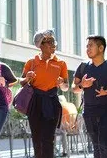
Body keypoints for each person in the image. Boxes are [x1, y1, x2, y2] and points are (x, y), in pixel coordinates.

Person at [71, 35, 107, 158]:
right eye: (87, 46)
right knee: (96, 145)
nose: (87, 49)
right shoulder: (83, 67)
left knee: (104, 143)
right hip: (89, 111)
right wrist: (82, 84)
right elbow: (74, 89)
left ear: (101, 48)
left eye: (91, 45)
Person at [19, 29, 68, 158]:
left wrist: (61, 82)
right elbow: (22, 82)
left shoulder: (61, 63)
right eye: (50, 42)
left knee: (48, 138)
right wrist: (27, 78)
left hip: (52, 102)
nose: (54, 45)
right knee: (37, 138)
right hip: (35, 102)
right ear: (41, 44)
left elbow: (66, 87)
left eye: (54, 41)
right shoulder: (31, 62)